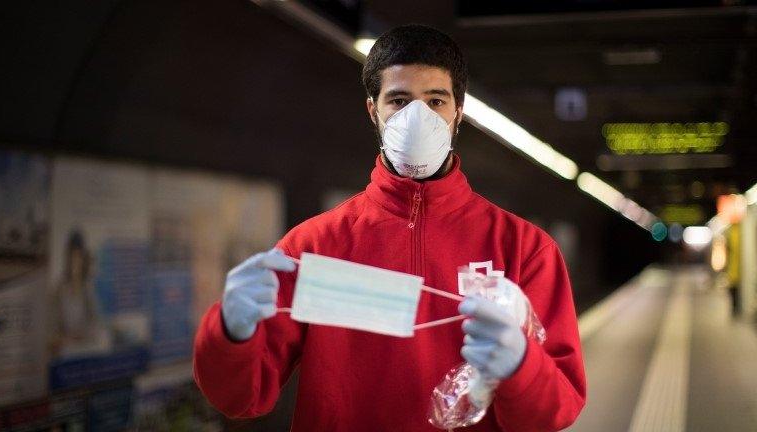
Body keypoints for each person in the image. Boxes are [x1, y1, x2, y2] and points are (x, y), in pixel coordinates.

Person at [193, 24, 585, 431]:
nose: (418, 116)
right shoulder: (312, 247)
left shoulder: (523, 248)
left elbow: (556, 411)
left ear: (458, 113)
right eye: (399, 100)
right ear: (373, 110)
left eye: (435, 100)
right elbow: (240, 399)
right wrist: (229, 335)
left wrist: (522, 365)